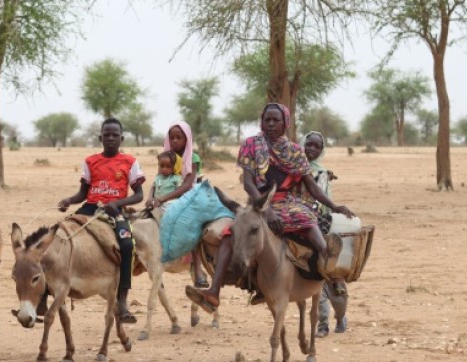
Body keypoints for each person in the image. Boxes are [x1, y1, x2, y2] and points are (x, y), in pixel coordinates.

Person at [187, 103, 353, 312]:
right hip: (258, 202)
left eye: (276, 120)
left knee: (309, 223)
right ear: (262, 121)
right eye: (268, 120)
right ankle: (214, 292)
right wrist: (266, 210)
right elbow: (248, 183)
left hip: (290, 203)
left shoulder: (294, 151)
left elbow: (311, 187)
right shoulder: (251, 145)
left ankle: (332, 274)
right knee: (232, 233)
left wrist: (334, 206)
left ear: (286, 123)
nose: (271, 124)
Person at [58, 117, 145, 323]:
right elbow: (82, 194)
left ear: (122, 138)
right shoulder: (91, 161)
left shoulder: (130, 162)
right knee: (58, 235)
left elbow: (139, 195)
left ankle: (122, 300)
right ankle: (47, 290)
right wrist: (68, 200)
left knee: (126, 244)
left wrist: (118, 203)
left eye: (115, 135)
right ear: (100, 137)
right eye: (107, 135)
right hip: (90, 207)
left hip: (114, 211)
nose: (111, 138)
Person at [147, 122, 207, 286]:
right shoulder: (166, 156)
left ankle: (198, 269)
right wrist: (150, 198)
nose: (174, 141)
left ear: (186, 139)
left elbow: (187, 185)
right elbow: (156, 181)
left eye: (178, 137)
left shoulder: (193, 158)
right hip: (164, 198)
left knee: (195, 227)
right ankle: (152, 266)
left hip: (188, 197)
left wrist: (163, 199)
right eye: (171, 137)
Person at [304, 131, 348, 337]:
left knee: (333, 276)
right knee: (316, 275)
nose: (311, 149)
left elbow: (318, 198)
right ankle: (322, 323)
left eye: (316, 146)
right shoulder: (296, 167)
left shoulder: (320, 173)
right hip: (302, 223)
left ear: (322, 151)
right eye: (308, 145)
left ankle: (340, 316)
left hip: (322, 224)